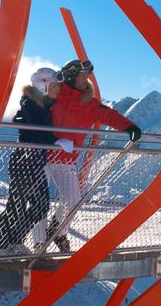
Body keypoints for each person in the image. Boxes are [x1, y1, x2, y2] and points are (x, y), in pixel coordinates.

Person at [40, 59, 142, 252]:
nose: (86, 79)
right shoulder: (53, 93)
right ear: (70, 76)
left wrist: (129, 127)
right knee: (39, 201)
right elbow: (31, 108)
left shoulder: (89, 103)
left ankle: (58, 231)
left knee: (72, 199)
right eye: (82, 75)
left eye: (87, 76)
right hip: (40, 156)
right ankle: (39, 242)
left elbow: (109, 116)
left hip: (65, 160)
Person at [0, 68, 63, 256]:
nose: (58, 89)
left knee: (40, 205)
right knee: (16, 205)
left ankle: (14, 240)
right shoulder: (31, 103)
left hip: (36, 161)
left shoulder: (43, 105)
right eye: (55, 85)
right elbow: (41, 131)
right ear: (44, 85)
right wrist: (57, 142)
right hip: (25, 159)